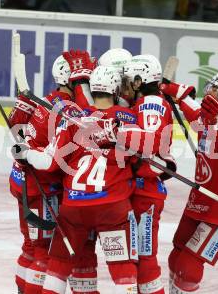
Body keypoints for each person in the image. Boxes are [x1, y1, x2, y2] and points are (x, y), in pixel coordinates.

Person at [15, 65, 164, 294]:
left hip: (74, 207)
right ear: (115, 90)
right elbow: (151, 150)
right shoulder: (128, 118)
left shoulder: (72, 120)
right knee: (122, 268)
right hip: (112, 208)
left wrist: (25, 152)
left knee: (58, 265)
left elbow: (49, 163)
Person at [162, 72, 218, 293]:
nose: (208, 92)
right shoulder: (211, 117)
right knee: (176, 257)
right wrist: (181, 96)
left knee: (188, 267)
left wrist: (216, 124)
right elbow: (196, 119)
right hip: (202, 199)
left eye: (215, 89)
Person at [123, 54, 176, 294]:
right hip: (139, 189)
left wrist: (136, 164)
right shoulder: (146, 103)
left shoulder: (150, 104)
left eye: (127, 80)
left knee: (144, 256)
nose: (124, 85)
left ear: (138, 81)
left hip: (145, 191)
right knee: (134, 255)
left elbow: (148, 144)